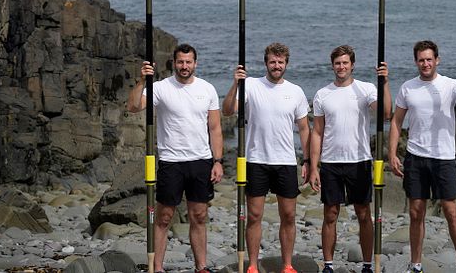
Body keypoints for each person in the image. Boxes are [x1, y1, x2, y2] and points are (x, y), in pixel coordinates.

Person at [387, 40, 456, 273]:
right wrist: (392, 153)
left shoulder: (449, 85)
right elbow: (397, 121)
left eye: (429, 59)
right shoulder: (408, 87)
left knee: (450, 211)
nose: (425, 63)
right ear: (416, 62)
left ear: (437, 60)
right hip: (415, 156)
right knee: (415, 212)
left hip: (443, 157)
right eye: (421, 60)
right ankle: (416, 264)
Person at [127, 43, 223, 273]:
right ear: (174, 63)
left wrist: (217, 160)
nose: (184, 66)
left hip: (200, 161)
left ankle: (201, 267)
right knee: (164, 216)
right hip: (171, 161)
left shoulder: (207, 89)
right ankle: (157, 267)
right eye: (180, 62)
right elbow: (133, 106)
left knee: (199, 215)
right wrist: (142, 81)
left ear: (195, 64)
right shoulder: (160, 88)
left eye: (188, 62)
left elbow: (216, 128)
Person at [222, 42, 311, 273]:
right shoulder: (250, 85)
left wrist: (309, 161)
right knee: (254, 215)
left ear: (286, 64)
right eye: (272, 61)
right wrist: (235, 83)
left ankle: (287, 265)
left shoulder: (296, 91)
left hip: (285, 162)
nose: (276, 65)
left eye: (280, 62)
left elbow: (304, 129)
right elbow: (228, 110)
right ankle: (252, 265)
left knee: (289, 215)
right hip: (256, 160)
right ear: (266, 63)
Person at [308, 45, 392, 273]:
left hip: (360, 160)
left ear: (352, 65)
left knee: (363, 213)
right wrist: (313, 167)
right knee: (330, 214)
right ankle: (328, 264)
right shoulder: (322, 94)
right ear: (332, 65)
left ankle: (367, 264)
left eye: (345, 63)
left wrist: (385, 82)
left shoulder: (365, 89)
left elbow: (385, 113)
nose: (341, 67)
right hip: (331, 162)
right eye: (337, 63)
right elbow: (317, 132)